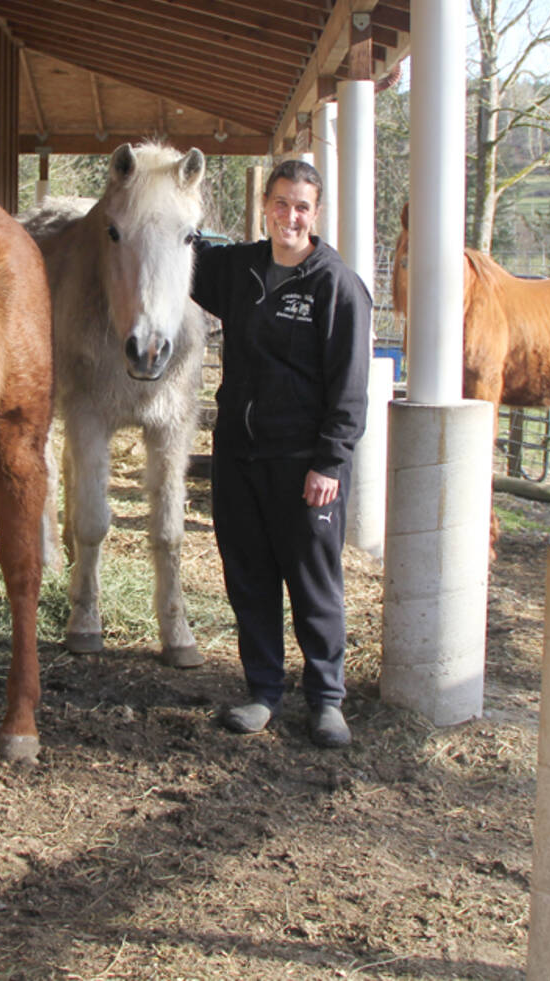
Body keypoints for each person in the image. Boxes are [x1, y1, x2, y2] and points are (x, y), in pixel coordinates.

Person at [190, 158, 373, 748]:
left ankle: (326, 700)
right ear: (265, 206)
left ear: (314, 215)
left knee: (313, 582)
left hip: (302, 464)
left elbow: (350, 386)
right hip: (238, 457)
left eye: (301, 207)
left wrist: (330, 462)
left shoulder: (335, 285)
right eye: (281, 203)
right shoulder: (239, 268)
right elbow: (177, 252)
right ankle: (263, 691)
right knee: (249, 576)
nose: (289, 216)